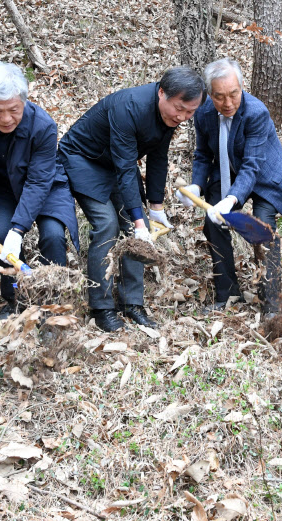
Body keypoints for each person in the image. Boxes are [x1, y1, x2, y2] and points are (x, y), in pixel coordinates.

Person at [59, 67, 206, 332]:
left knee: (134, 225)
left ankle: (132, 303)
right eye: (180, 109)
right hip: (84, 159)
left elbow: (158, 158)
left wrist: (155, 208)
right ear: (162, 93)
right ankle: (102, 308)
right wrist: (140, 221)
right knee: (107, 224)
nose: (183, 117)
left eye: (191, 112)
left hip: (115, 163)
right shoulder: (129, 107)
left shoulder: (169, 116)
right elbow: (127, 169)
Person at [0, 62, 80, 326]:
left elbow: (37, 182)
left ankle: (51, 302)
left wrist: (19, 229)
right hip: (2, 186)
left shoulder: (43, 125)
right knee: (0, 235)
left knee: (54, 235)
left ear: (24, 101)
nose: (7, 118)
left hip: (46, 185)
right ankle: (15, 299)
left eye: (14, 110)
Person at [175, 58, 282, 315]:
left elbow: (252, 166)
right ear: (209, 95)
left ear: (242, 87)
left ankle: (272, 302)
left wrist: (231, 200)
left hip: (264, 176)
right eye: (219, 97)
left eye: (234, 94)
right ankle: (228, 293)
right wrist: (197, 186)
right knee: (213, 223)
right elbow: (202, 154)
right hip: (227, 170)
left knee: (263, 229)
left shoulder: (256, 112)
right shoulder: (202, 111)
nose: (228, 103)